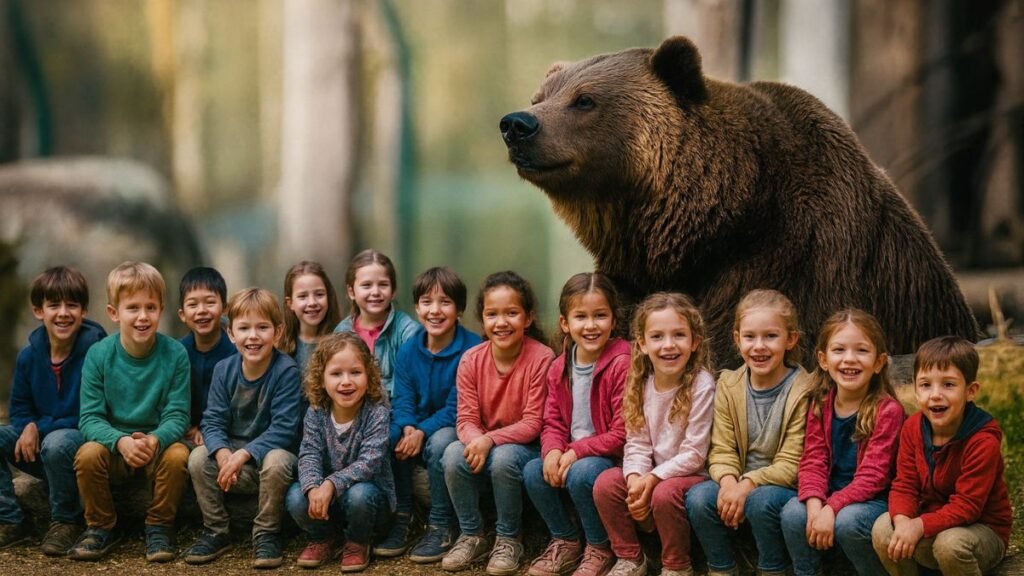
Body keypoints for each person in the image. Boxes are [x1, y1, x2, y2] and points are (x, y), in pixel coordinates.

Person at [686, 289, 813, 576]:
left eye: (770, 336)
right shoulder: (729, 386)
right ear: (736, 339)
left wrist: (747, 485)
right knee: (699, 497)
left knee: (760, 501)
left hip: (782, 487)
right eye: (750, 337)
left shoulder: (804, 390)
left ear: (790, 339)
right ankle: (722, 567)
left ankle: (772, 568)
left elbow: (793, 462)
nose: (759, 346)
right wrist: (730, 483)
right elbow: (721, 449)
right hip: (737, 481)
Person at [70, 261, 191, 562]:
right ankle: (100, 527)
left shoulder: (175, 354)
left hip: (156, 446)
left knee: (179, 455)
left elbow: (177, 415)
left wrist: (154, 440)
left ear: (161, 309)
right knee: (86, 454)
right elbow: (90, 417)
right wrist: (120, 441)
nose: (142, 316)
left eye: (150, 307)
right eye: (132, 308)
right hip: (114, 447)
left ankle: (159, 526)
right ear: (114, 313)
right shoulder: (99, 355)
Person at [593, 292, 716, 576]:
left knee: (663, 493)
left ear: (695, 342)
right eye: (657, 336)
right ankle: (630, 557)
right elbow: (636, 443)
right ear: (643, 345)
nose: (668, 345)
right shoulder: (640, 384)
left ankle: (676, 564)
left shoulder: (702, 385)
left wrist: (652, 478)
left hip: (692, 474)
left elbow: (696, 453)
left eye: (679, 335)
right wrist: (635, 478)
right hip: (653, 472)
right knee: (606, 484)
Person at [441, 271, 554, 575]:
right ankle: (472, 535)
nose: (501, 322)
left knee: (504, 458)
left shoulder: (542, 358)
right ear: (482, 319)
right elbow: (465, 417)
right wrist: (477, 439)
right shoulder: (471, 360)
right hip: (484, 441)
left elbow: (533, 422)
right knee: (452, 454)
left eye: (511, 313)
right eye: (492, 314)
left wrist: (488, 440)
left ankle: (509, 537)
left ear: (528, 318)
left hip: (526, 448)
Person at [871, 336, 1013, 575]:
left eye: (948, 384)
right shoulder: (913, 427)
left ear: (971, 391)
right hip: (932, 524)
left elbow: (968, 506)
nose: (935, 394)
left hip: (982, 531)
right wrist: (905, 522)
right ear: (915, 390)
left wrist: (919, 525)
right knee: (884, 528)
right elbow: (905, 484)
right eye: (926, 385)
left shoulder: (982, 440)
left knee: (950, 544)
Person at [184, 288, 302, 568]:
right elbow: (212, 421)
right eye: (244, 328)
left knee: (276, 461)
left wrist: (244, 455)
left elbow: (284, 429)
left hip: (271, 458)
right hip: (233, 459)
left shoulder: (286, 371)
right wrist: (223, 452)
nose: (253, 336)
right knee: (199, 457)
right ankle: (216, 530)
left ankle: (266, 532)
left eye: (262, 327)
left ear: (278, 331)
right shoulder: (224, 370)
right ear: (231, 333)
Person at [780, 310, 904, 576]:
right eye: (839, 350)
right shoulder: (819, 403)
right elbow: (812, 460)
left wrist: (832, 508)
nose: (849, 359)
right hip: (830, 494)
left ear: (879, 362)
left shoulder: (887, 410)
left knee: (848, 521)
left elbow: (874, 477)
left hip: (874, 500)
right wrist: (815, 505)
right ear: (824, 360)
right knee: (793, 513)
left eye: (861, 350)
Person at [524, 272, 630, 576]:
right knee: (533, 471)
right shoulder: (559, 366)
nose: (591, 325)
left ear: (613, 319)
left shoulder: (622, 361)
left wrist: (575, 452)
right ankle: (566, 540)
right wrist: (553, 452)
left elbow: (622, 433)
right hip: (574, 452)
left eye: (600, 315)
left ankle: (599, 546)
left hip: (611, 458)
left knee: (582, 473)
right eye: (580, 316)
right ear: (565, 323)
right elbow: (553, 421)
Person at [375, 267, 482, 561]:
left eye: (445, 302)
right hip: (418, 425)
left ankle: (441, 524)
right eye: (426, 302)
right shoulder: (409, 350)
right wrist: (408, 427)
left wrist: (421, 431)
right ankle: (403, 516)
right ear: (416, 307)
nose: (435, 310)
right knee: (389, 433)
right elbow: (403, 401)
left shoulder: (472, 349)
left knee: (440, 443)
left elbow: (457, 408)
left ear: (459, 309)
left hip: (455, 427)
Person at [0, 266, 106, 555]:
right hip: (40, 441)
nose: (63, 313)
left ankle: (65, 520)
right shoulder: (29, 355)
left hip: (80, 441)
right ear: (38, 311)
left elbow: (91, 412)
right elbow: (20, 406)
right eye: (53, 305)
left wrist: (38, 427)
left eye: (72, 305)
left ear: (83, 311)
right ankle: (11, 519)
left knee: (56, 442)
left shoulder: (97, 351)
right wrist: (27, 426)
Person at [286, 332, 395, 572]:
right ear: (321, 379)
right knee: (296, 495)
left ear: (369, 375)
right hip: (328, 499)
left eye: (355, 372)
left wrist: (331, 485)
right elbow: (309, 454)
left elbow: (369, 463)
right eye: (336, 374)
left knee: (360, 495)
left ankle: (358, 542)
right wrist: (314, 487)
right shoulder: (317, 412)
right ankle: (325, 538)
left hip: (368, 501)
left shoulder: (376, 413)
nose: (346, 381)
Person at [334, 249, 419, 397]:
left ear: (393, 290)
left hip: (394, 412)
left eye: (383, 285)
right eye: (366, 285)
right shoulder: (342, 331)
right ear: (351, 292)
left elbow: (411, 383)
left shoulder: (408, 331)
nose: (375, 292)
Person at [177, 266, 236, 447]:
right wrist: (189, 427)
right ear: (182, 315)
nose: (201, 310)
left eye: (210, 302)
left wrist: (208, 430)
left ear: (224, 308)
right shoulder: (178, 352)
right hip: (187, 433)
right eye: (193, 305)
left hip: (228, 434)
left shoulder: (236, 353)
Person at [279, 261, 342, 377]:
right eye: (302, 296)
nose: (312, 302)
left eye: (319, 294)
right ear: (290, 303)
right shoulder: (280, 346)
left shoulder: (342, 342)